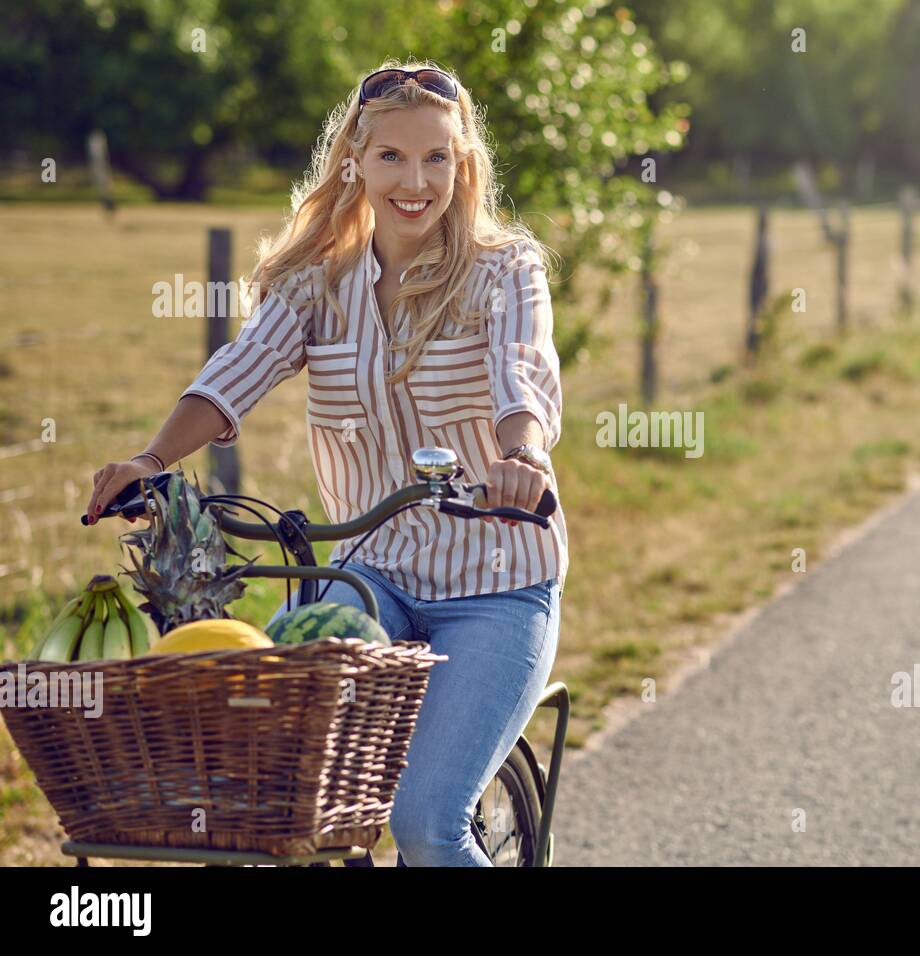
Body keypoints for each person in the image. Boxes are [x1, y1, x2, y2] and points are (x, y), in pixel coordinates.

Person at [84, 60, 569, 866]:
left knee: (425, 826)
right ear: (355, 162)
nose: (416, 181)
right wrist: (151, 457)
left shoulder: (503, 272)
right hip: (366, 577)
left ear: (463, 165)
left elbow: (524, 371)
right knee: (270, 780)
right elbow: (235, 373)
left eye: (437, 159)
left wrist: (522, 454)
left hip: (496, 584)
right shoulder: (317, 286)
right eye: (392, 158)